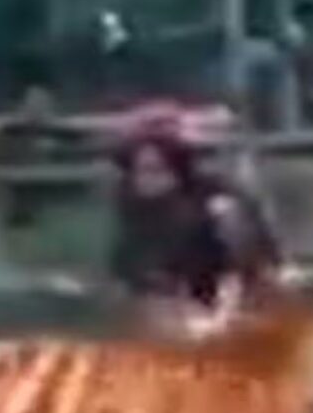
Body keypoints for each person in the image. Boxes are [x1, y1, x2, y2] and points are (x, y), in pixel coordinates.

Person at [109, 109, 283, 319]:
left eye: (155, 170)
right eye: (137, 171)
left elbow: (246, 247)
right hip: (162, 297)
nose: (145, 180)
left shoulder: (213, 198)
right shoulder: (129, 204)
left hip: (219, 287)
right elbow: (127, 264)